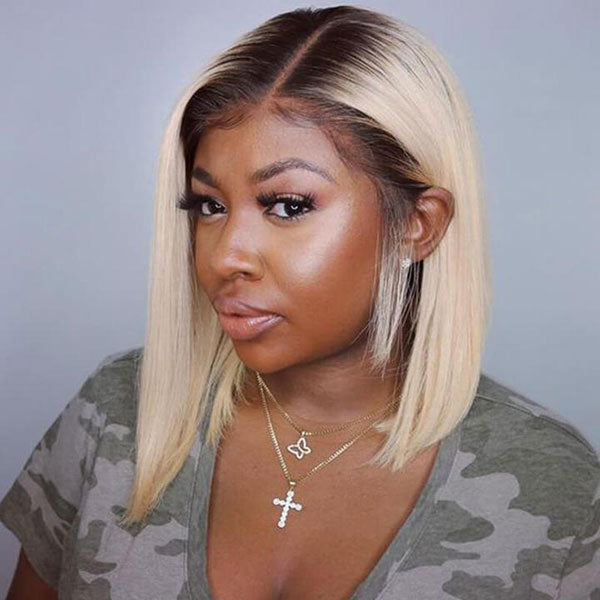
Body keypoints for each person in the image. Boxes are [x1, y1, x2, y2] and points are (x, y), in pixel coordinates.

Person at [1, 5, 598, 599]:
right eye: (210, 206)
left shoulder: (555, 489)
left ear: (417, 224)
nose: (225, 256)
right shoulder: (115, 415)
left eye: (288, 205)